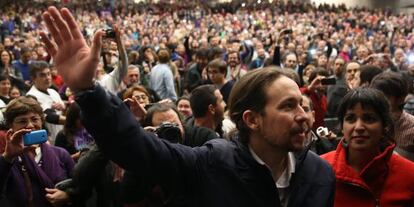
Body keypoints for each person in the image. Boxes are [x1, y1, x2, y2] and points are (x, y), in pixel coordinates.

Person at [40, 7, 335, 207]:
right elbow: (135, 147)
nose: (303, 116)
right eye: (287, 106)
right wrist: (87, 91)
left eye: (303, 105)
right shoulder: (211, 164)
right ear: (252, 119)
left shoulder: (321, 174)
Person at [321, 88, 414, 206]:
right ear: (342, 127)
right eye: (350, 119)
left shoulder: (409, 175)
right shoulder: (320, 170)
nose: (359, 127)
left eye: (369, 119)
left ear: (384, 126)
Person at [0, 96, 75, 207]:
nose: (30, 125)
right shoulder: (8, 161)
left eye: (35, 119)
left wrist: (68, 195)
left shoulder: (61, 154)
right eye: (22, 121)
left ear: (41, 120)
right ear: (11, 126)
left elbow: (81, 186)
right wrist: (8, 157)